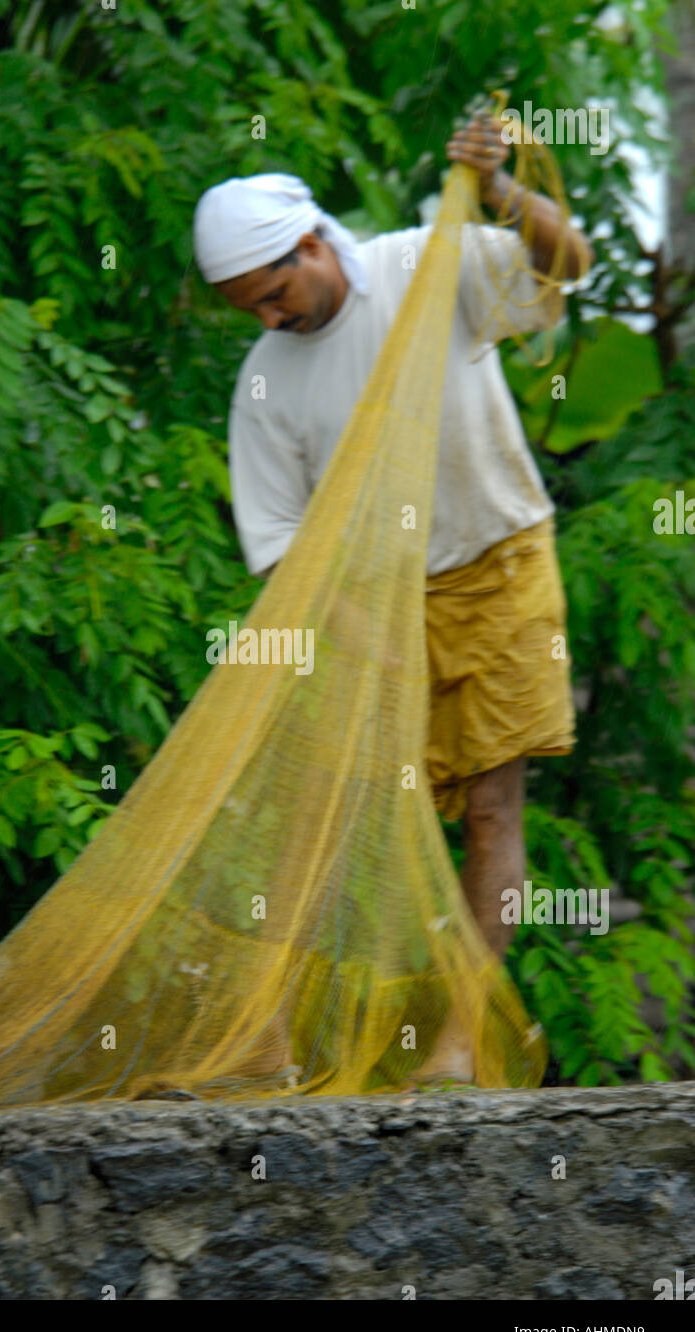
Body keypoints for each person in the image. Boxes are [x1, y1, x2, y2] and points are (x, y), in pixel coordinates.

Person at [192, 115, 594, 1084]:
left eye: (277, 293)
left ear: (315, 244)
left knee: (494, 810)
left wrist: (499, 191)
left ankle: (457, 1042)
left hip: (501, 565)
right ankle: (264, 1039)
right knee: (326, 814)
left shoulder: (428, 264)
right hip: (370, 605)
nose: (271, 318)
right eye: (251, 308)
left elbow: (566, 263)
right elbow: (281, 552)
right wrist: (372, 639)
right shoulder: (265, 383)